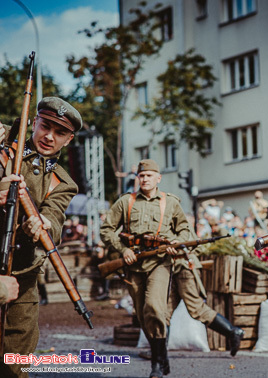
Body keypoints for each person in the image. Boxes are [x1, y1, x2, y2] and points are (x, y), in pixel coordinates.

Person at [0, 97, 81, 377]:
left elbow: (54, 219)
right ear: (34, 122)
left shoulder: (63, 182)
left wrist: (43, 223)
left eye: (59, 133)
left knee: (15, 364)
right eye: (45, 126)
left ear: (68, 140)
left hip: (22, 278)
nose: (49, 136)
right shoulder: (3, 147)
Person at [100, 159, 192, 378]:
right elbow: (107, 230)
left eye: (149, 175)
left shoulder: (170, 202)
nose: (145, 179)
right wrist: (123, 250)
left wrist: (174, 246)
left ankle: (156, 363)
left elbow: (185, 230)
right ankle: (162, 356)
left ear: (158, 178)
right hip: (133, 266)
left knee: (154, 308)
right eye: (141, 176)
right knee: (142, 315)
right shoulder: (126, 202)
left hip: (160, 263)